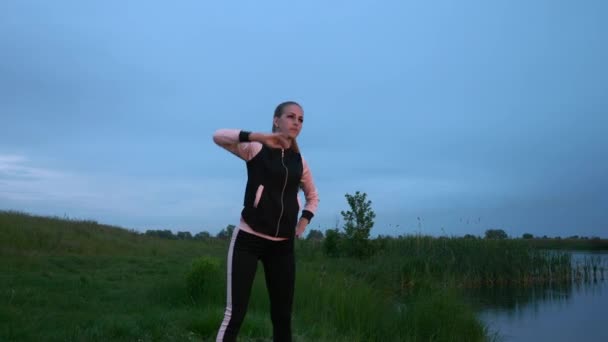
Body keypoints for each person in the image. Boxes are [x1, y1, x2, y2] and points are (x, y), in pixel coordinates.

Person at [212, 101, 319, 342]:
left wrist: (302, 224)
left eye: (300, 119)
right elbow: (218, 137)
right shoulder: (256, 148)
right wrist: (259, 136)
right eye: (291, 116)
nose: (296, 122)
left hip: (282, 246)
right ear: (276, 120)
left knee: (282, 316)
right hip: (248, 239)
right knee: (235, 313)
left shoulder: (299, 161)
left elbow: (313, 197)